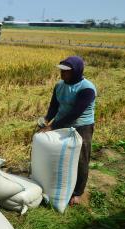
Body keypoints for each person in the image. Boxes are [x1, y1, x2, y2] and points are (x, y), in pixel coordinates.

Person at [40, 56, 97, 205]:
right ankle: (59, 183)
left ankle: (78, 192)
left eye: (67, 72)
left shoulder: (87, 89)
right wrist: (47, 119)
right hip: (62, 122)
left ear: (77, 72)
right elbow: (54, 106)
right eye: (61, 71)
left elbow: (75, 113)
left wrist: (52, 126)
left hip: (81, 126)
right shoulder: (59, 85)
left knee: (81, 159)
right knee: (59, 154)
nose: (62, 74)